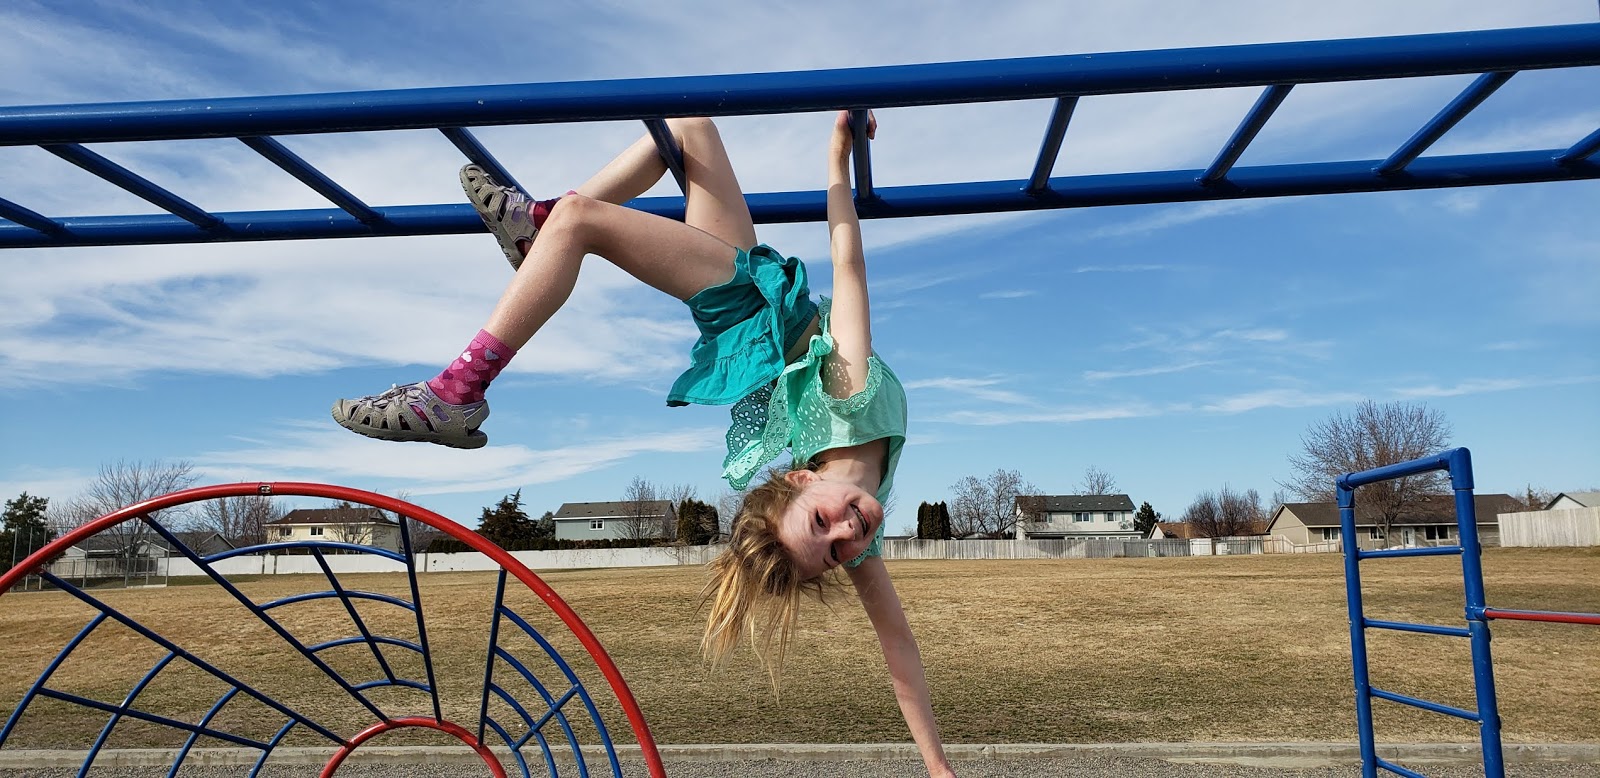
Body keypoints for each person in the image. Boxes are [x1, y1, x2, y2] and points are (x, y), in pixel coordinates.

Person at [332, 113, 956, 777]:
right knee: (687, 128)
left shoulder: (847, 398)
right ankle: (537, 233)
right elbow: (900, 648)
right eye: (836, 551)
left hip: (748, 307)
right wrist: (938, 769)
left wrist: (836, 158)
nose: (848, 536)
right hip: (758, 302)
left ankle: (457, 387)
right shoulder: (862, 507)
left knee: (581, 219)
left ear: (801, 483)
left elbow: (848, 260)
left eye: (827, 533)